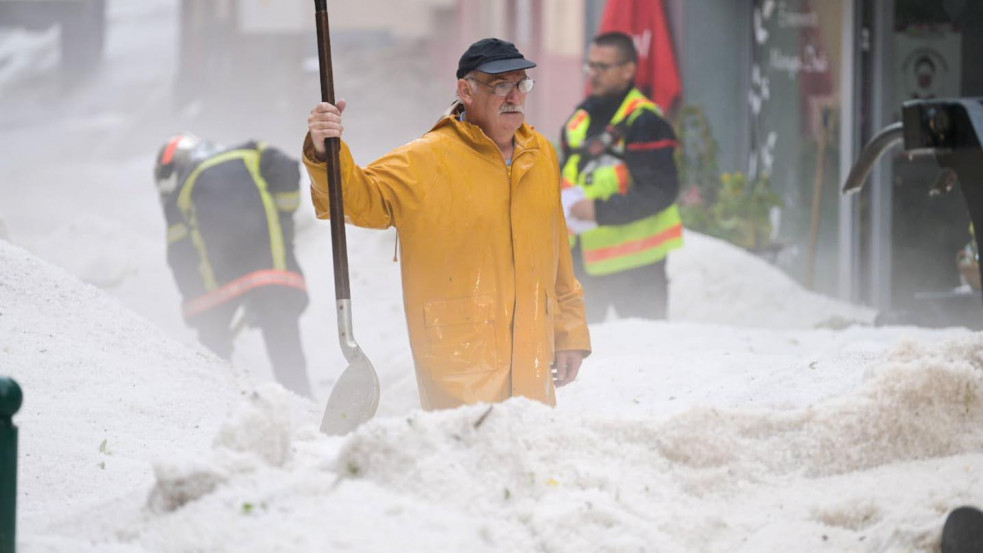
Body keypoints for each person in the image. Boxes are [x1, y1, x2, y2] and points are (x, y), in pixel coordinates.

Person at [304, 38, 591, 410]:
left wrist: (569, 334)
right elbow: (356, 199)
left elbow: (558, 255)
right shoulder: (425, 160)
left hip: (532, 356)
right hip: (460, 360)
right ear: (465, 90)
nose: (514, 96)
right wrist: (323, 147)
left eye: (521, 84)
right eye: (500, 85)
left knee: (525, 453)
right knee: (465, 456)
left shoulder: (541, 156)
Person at [153, 134, 313, 398]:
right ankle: (305, 405)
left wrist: (200, 313)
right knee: (286, 347)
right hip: (274, 274)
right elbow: (285, 167)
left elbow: (180, 258)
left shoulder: (181, 190)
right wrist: (282, 215)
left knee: (213, 352)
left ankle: (221, 401)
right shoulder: (252, 153)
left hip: (221, 290)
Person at [560, 31, 684, 323]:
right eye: (590, 65)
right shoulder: (580, 119)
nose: (593, 74)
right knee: (586, 357)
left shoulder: (645, 122)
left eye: (603, 67)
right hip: (584, 265)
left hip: (638, 269)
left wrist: (599, 211)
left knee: (647, 358)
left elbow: (660, 191)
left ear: (628, 70)